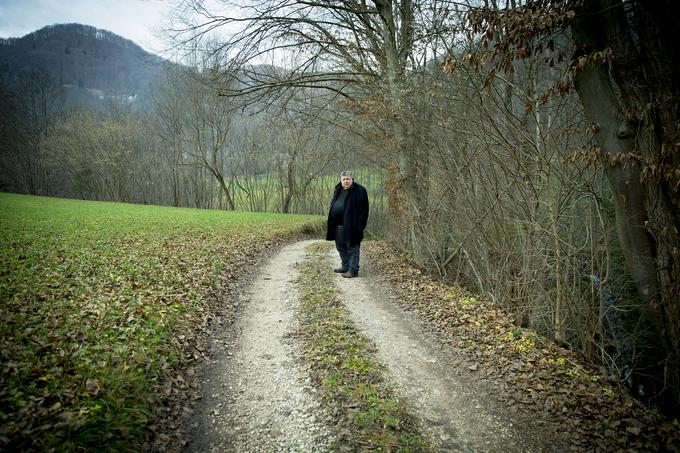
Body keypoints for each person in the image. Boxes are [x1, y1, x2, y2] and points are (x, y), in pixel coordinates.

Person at [326, 171, 369, 278]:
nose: (346, 181)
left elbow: (364, 210)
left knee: (353, 247)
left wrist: (360, 226)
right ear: (341, 180)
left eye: (347, 179)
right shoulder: (338, 189)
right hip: (337, 225)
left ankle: (353, 270)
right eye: (344, 179)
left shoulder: (360, 191)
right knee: (340, 247)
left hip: (352, 226)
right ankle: (345, 266)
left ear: (352, 179)